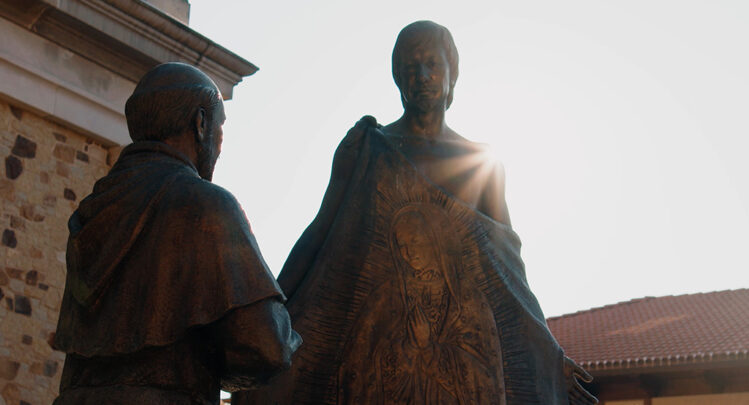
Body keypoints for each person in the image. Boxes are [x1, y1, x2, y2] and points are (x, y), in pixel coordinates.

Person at [236, 21, 595, 405]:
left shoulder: (482, 163)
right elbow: (318, 235)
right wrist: (271, 312)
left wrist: (549, 354)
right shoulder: (365, 148)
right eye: (410, 68)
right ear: (397, 77)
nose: (421, 76)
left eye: (431, 65)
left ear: (451, 71)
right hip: (383, 343)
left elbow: (511, 277)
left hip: (462, 352)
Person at [53, 62, 301, 405]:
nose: (220, 142)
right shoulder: (206, 204)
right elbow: (264, 346)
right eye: (220, 127)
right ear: (200, 123)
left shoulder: (91, 212)